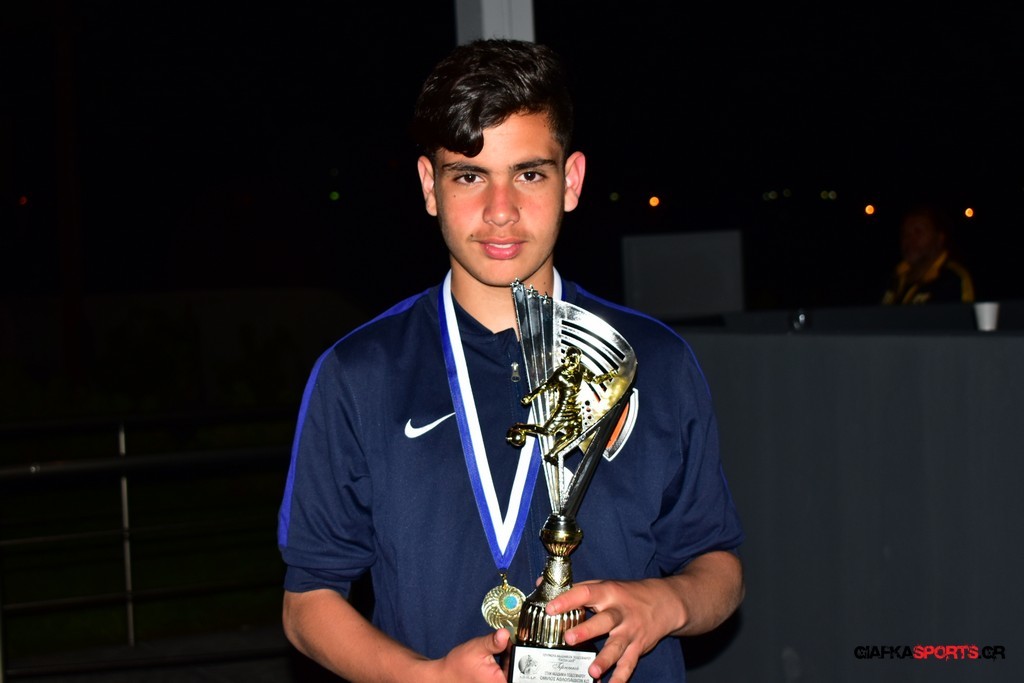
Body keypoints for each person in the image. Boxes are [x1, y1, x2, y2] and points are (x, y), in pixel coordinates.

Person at [277, 38, 745, 682]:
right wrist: (426, 677)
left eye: (529, 174)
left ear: (571, 181)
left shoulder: (654, 361)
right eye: (469, 176)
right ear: (430, 187)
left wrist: (668, 602)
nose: (501, 212)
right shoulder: (358, 374)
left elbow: (719, 567)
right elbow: (307, 601)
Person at [881, 204, 975, 305]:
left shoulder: (953, 279)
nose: (909, 240)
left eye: (918, 232)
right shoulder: (895, 277)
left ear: (939, 238)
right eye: (905, 234)